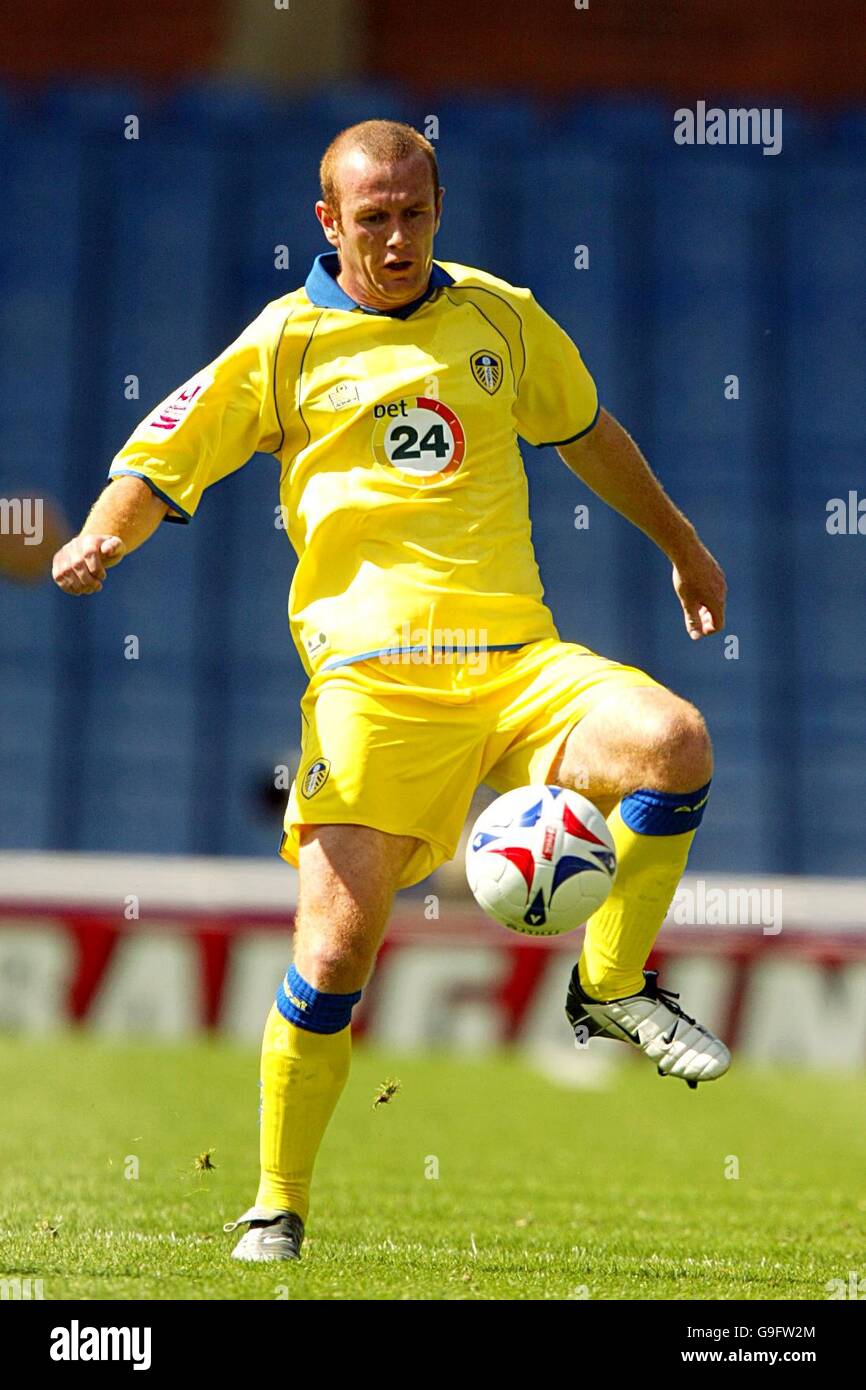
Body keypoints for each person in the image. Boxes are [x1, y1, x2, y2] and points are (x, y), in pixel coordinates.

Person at [52, 119, 729, 1264]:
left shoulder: (500, 315)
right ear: (328, 222)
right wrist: (99, 539)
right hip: (372, 688)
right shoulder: (285, 342)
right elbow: (160, 455)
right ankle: (276, 1203)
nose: (399, 236)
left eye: (416, 213)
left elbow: (584, 431)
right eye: (374, 219)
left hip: (516, 663)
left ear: (437, 207)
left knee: (671, 740)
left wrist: (679, 541)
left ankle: (608, 985)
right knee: (335, 950)